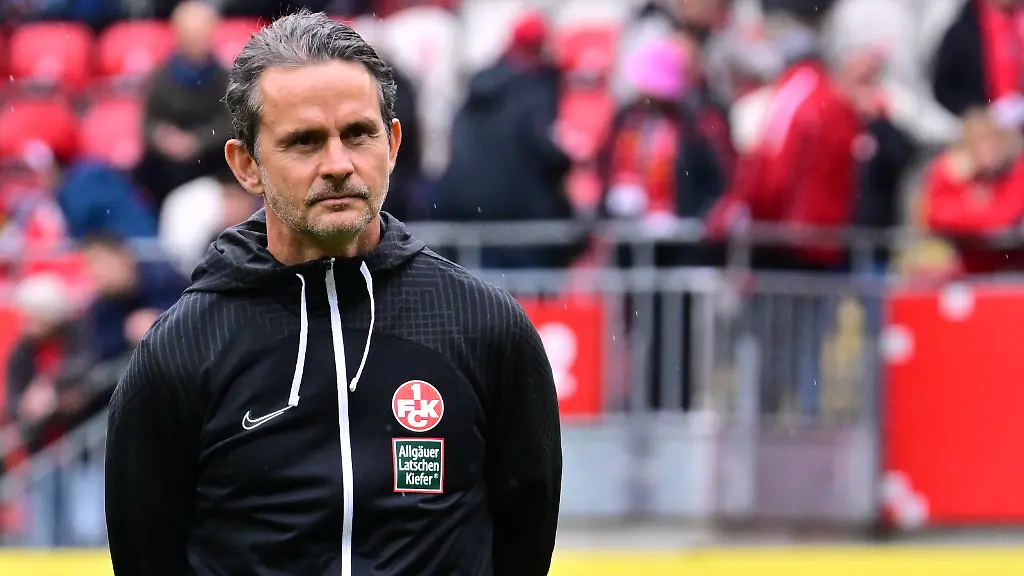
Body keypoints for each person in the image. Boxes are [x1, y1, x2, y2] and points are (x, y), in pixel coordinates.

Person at [104, 10, 562, 576]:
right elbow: (145, 554)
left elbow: (524, 537)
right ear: (246, 165)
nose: (339, 164)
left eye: (359, 134)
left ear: (393, 144)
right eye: (305, 141)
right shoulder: (181, 349)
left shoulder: (484, 326)